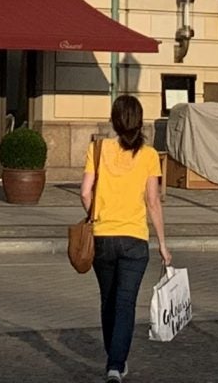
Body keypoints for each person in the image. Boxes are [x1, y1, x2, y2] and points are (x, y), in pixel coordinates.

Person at [76, 93, 170, 383]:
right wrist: (163, 244)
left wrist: (95, 214)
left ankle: (114, 359)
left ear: (114, 121)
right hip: (134, 240)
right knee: (125, 303)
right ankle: (116, 364)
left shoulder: (98, 149)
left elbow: (85, 192)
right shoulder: (149, 155)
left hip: (103, 237)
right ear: (140, 122)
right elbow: (153, 202)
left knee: (108, 300)